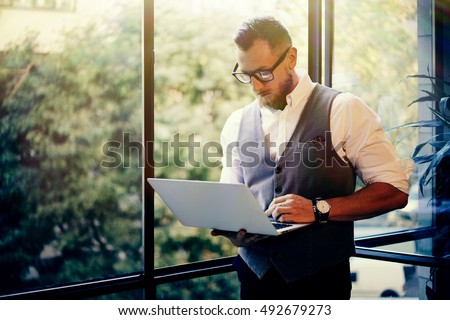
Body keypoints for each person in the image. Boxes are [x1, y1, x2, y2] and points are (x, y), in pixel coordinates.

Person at [211, 16, 413, 300]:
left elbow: (395, 191)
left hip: (320, 283)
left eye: (264, 73)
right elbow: (231, 198)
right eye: (246, 75)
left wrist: (319, 209)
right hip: (252, 279)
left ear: (291, 57)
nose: (256, 86)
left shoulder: (344, 109)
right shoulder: (236, 122)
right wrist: (234, 228)